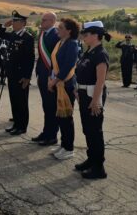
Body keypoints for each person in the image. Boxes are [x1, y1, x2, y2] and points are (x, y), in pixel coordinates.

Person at [75, 20, 111, 179]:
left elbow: (100, 80)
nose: (83, 36)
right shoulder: (88, 51)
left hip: (93, 95)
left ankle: (98, 167)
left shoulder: (100, 54)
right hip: (84, 94)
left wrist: (96, 101)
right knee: (87, 129)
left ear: (96, 35)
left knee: (95, 131)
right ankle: (91, 159)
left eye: (86, 34)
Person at [0, 10, 35, 135]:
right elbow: (1, 34)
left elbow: (30, 59)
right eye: (12, 21)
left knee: (22, 101)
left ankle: (22, 126)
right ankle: (16, 124)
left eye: (15, 21)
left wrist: (27, 77)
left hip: (21, 75)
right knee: (14, 100)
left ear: (23, 23)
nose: (13, 23)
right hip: (12, 74)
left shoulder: (27, 37)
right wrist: (4, 25)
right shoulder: (13, 34)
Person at [47, 18, 80, 159]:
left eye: (60, 28)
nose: (57, 30)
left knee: (66, 117)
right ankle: (63, 145)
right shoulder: (60, 42)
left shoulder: (72, 44)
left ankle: (69, 148)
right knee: (60, 116)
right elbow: (53, 62)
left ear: (69, 31)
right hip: (57, 83)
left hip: (66, 84)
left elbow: (67, 66)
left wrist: (54, 80)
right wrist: (51, 78)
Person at [32, 12, 59, 146]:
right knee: (46, 106)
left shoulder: (56, 35)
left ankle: (52, 135)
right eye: (41, 19)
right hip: (41, 75)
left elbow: (56, 59)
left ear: (53, 21)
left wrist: (52, 77)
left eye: (44, 20)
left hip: (51, 77)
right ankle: (46, 132)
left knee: (51, 107)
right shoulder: (43, 34)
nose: (41, 22)